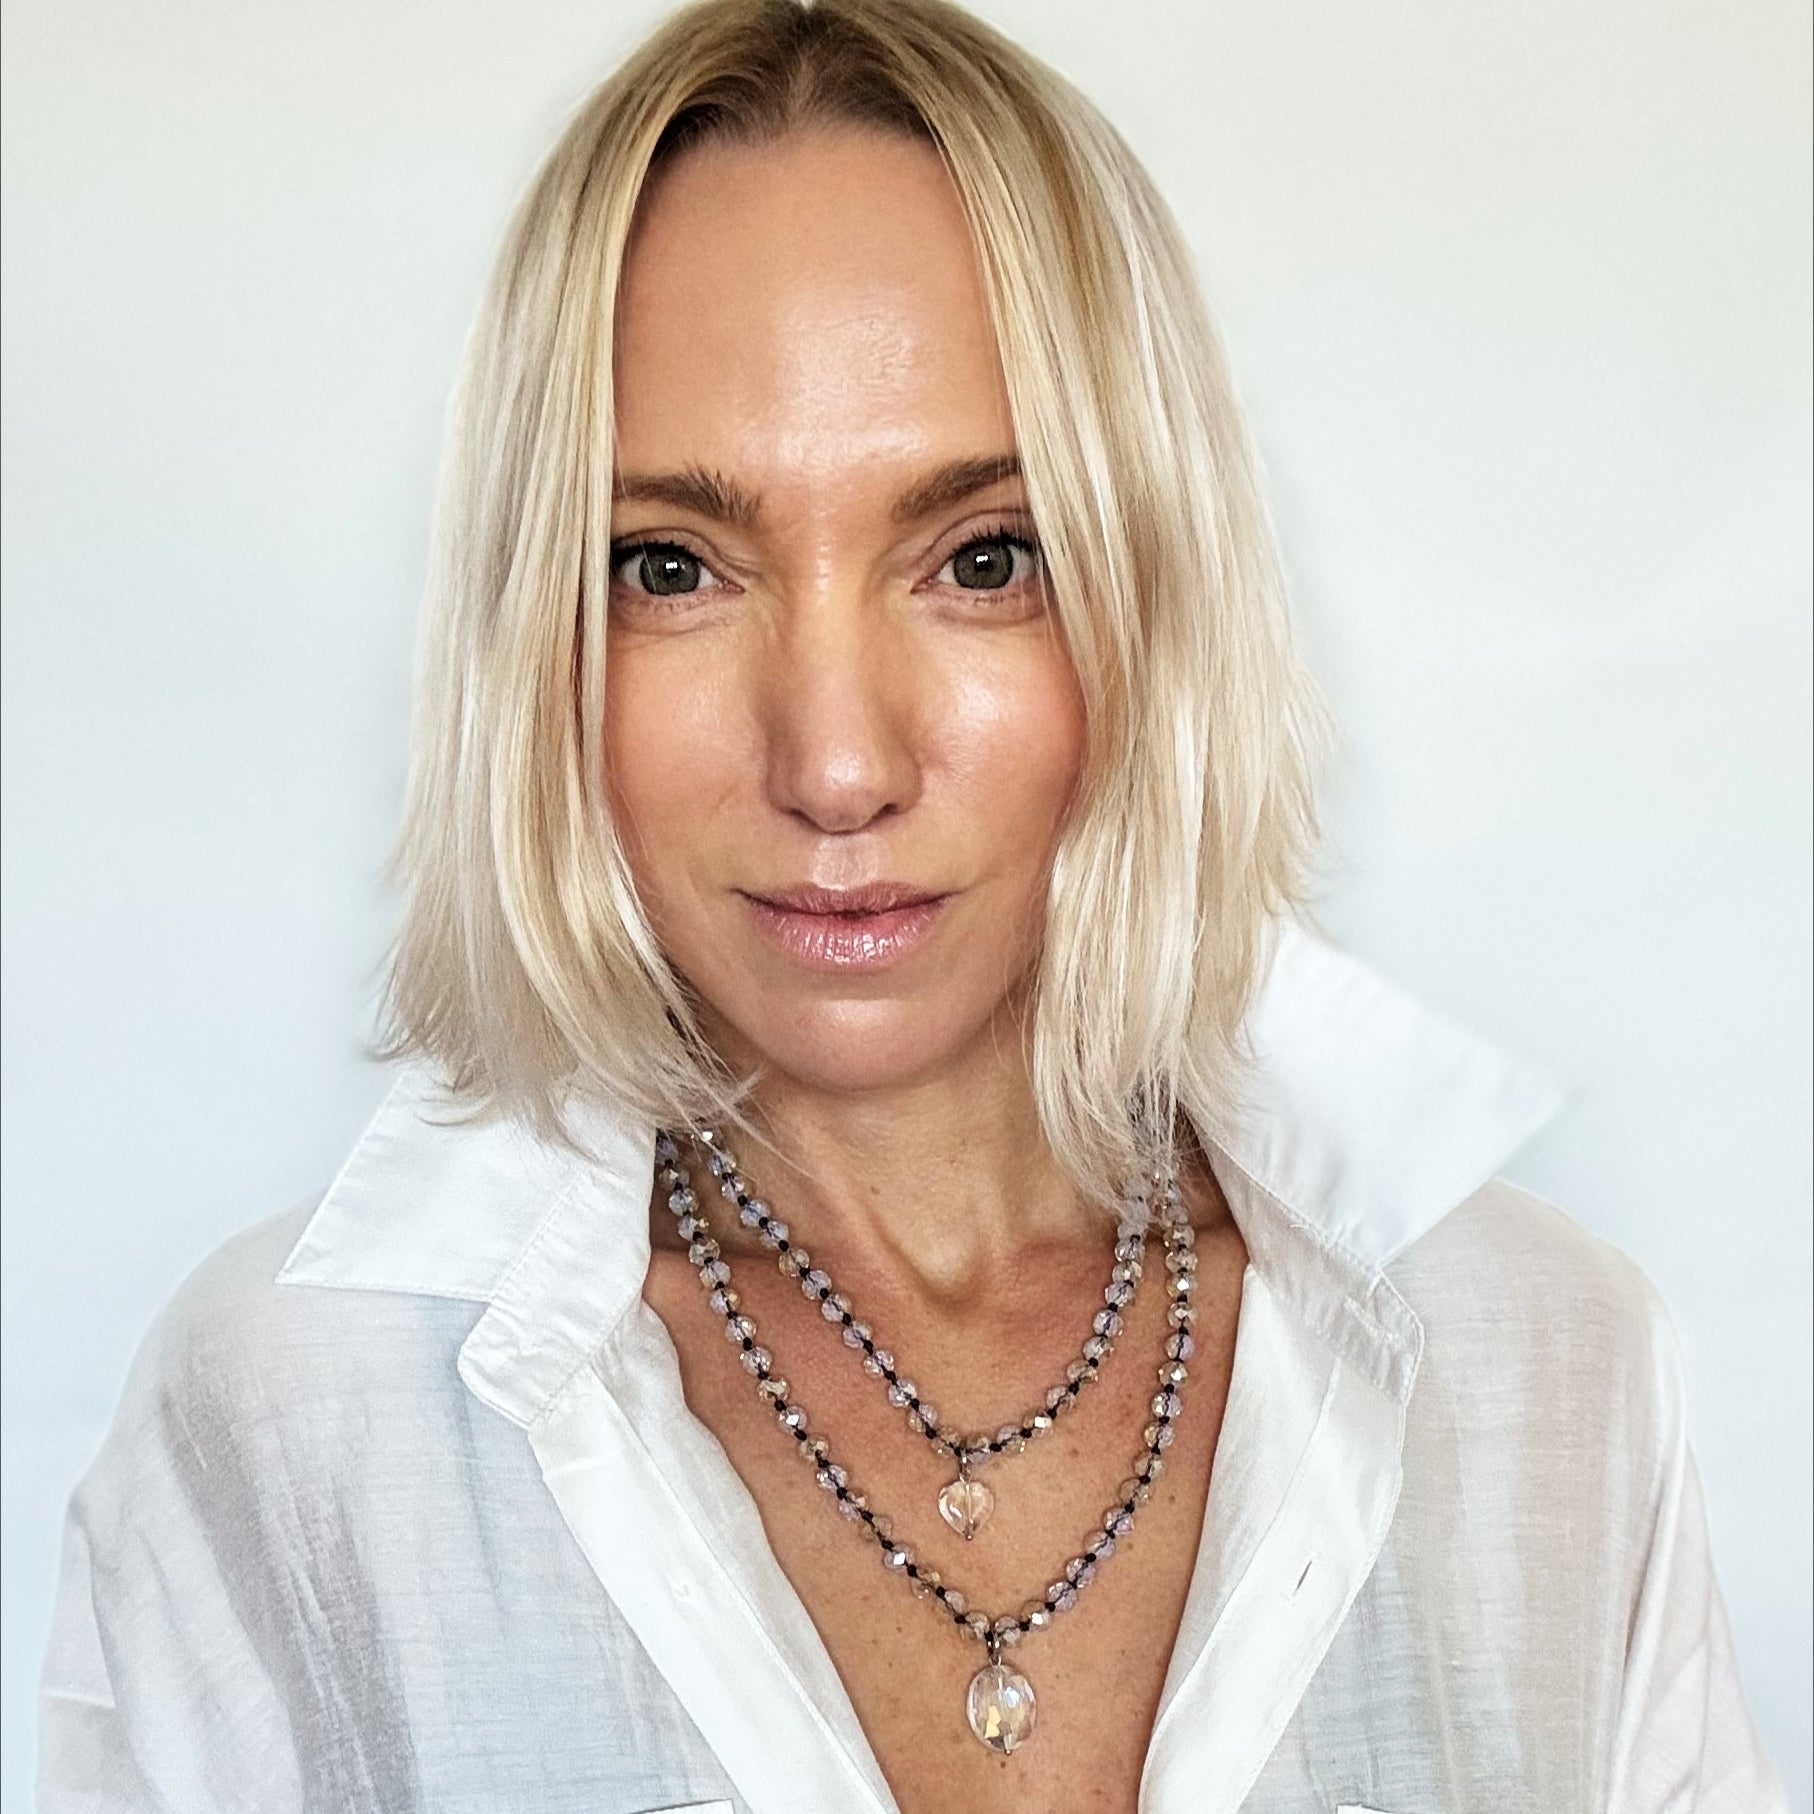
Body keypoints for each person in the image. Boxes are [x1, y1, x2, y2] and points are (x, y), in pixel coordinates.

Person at [36, 1, 1790, 1809]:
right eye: (670, 566)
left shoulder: (1539, 1361)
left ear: (1149, 589)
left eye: (980, 557)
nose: (838, 759)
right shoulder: (300, 1414)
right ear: (539, 638)